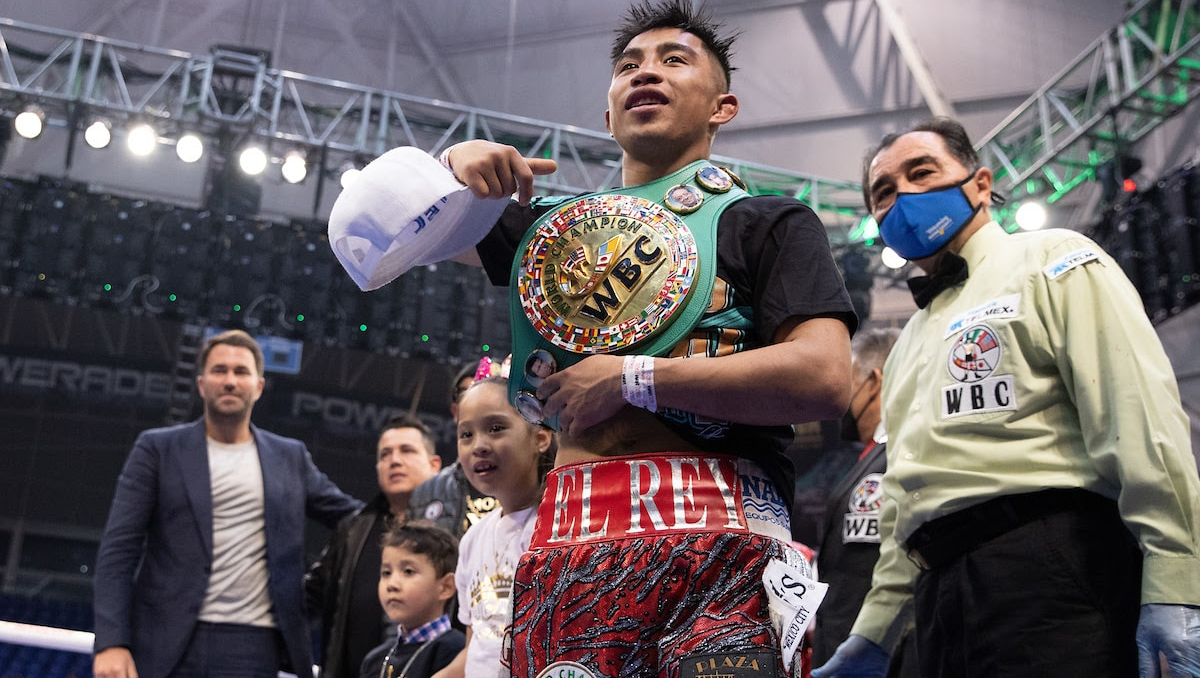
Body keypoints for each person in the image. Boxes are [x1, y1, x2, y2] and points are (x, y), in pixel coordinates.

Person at [329, 1, 856, 674]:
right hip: (571, 540)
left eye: (674, 60)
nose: (647, 72)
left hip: (722, 534)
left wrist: (633, 377)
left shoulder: (769, 222)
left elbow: (823, 377)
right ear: (608, 116)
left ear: (723, 106)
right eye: (629, 65)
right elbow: (373, 232)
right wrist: (452, 169)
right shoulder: (550, 233)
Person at [813, 117, 1200, 678]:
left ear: (980, 184)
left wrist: (1176, 578)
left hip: (1053, 567)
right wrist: (873, 633)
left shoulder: (1053, 259)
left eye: (922, 173)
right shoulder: (906, 345)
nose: (903, 197)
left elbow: (1138, 416)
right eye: (884, 191)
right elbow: (904, 499)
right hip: (939, 599)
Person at [92, 329, 362, 678]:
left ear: (259, 386)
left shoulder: (289, 457)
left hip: (255, 642)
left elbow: (353, 518)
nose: (230, 381)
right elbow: (118, 550)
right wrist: (111, 641)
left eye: (241, 372)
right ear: (202, 384)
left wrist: (411, 508)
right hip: (166, 637)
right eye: (220, 371)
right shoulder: (157, 449)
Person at [810, 327, 918, 678]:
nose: (842, 397)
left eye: (851, 379)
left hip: (882, 656)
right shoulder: (871, 458)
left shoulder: (898, 458)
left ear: (874, 380)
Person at [433, 376, 553, 678]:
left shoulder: (556, 530)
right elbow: (478, 650)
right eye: (466, 434)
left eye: (496, 428)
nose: (479, 446)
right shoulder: (473, 539)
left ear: (540, 437)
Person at [308, 415, 442, 678]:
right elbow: (312, 595)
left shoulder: (452, 529)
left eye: (407, 450)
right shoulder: (353, 529)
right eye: (385, 454)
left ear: (434, 464)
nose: (394, 460)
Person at [358, 521, 465, 678]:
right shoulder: (375, 660)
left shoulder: (455, 652)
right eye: (386, 573)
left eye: (408, 571)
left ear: (446, 587)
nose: (392, 584)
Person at [407, 362, 499, 539]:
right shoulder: (427, 492)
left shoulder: (536, 482)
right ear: (456, 411)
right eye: (468, 392)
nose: (478, 400)